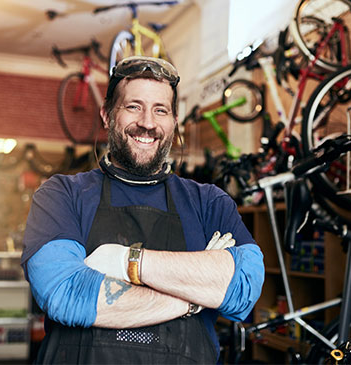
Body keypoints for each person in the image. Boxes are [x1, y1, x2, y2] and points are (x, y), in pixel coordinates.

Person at [21, 56, 265, 364]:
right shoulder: (62, 196)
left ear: (174, 121)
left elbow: (243, 289)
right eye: (133, 106)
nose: (148, 123)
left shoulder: (209, 203)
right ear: (107, 115)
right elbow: (67, 295)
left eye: (160, 110)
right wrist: (195, 298)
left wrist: (126, 262)